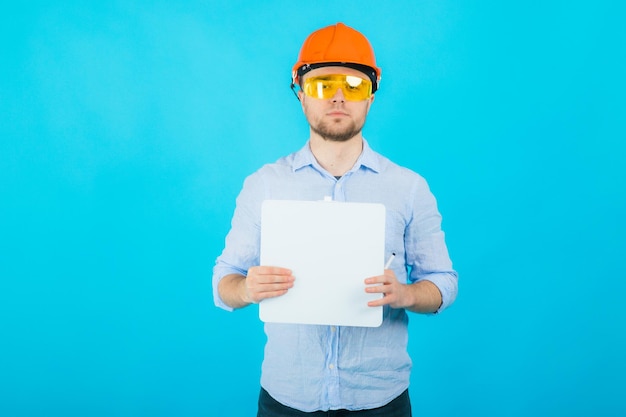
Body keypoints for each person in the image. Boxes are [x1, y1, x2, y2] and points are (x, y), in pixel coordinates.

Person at [213, 22, 458, 416]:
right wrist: (246, 289)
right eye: (324, 85)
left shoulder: (410, 188)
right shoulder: (264, 185)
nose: (339, 97)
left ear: (371, 98)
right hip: (285, 400)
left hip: (381, 401)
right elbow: (223, 280)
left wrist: (407, 294)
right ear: (301, 95)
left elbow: (444, 283)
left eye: (354, 86)